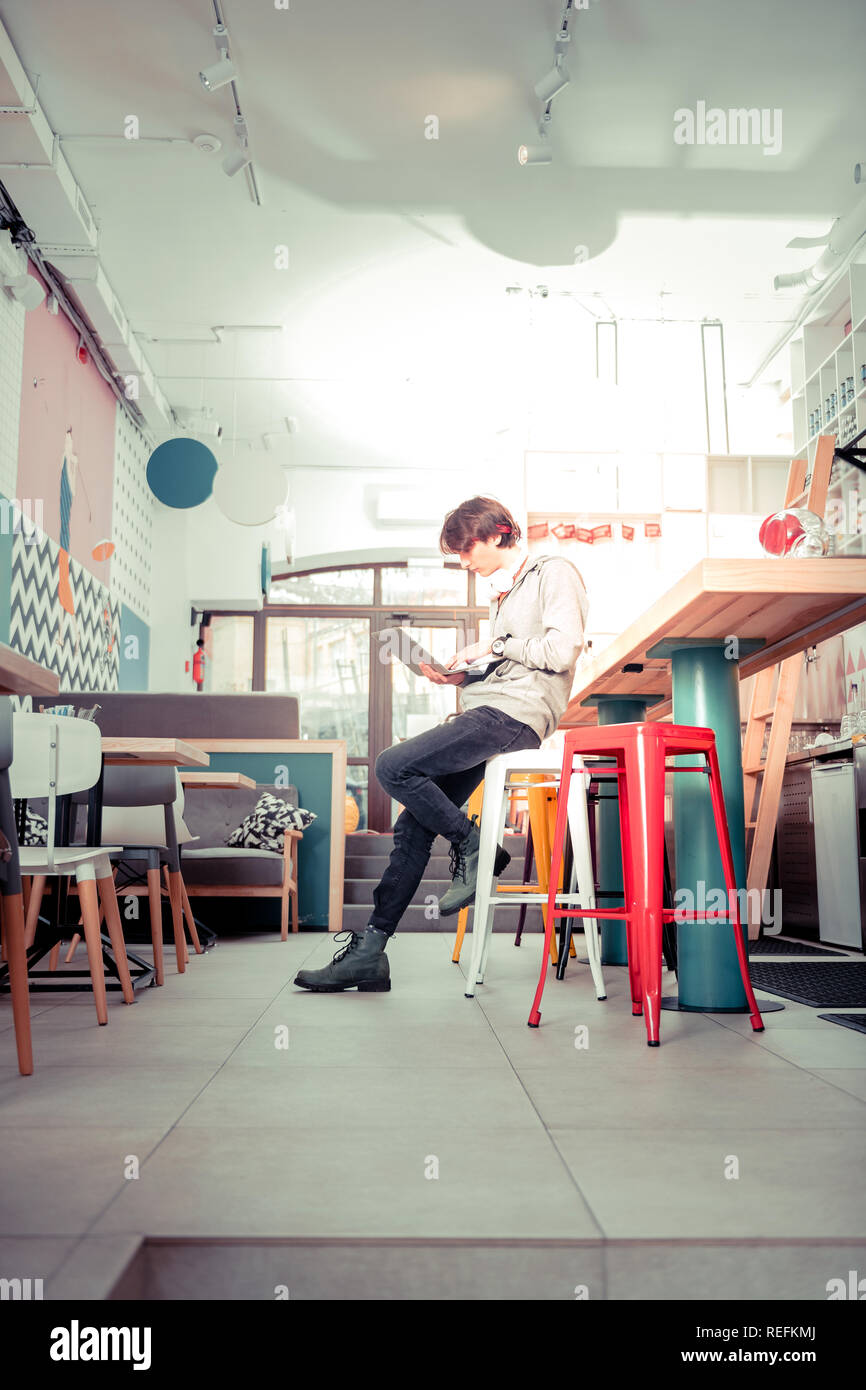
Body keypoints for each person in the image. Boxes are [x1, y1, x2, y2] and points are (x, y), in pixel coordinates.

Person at [293, 496, 589, 994]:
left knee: (391, 766)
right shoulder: (505, 593)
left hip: (516, 714)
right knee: (412, 826)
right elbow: (514, 659)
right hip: (489, 708)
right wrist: (463, 671)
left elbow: (561, 651)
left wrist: (493, 647)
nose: (464, 560)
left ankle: (476, 848)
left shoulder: (552, 572)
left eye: (467, 548)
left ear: (499, 533)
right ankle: (370, 951)